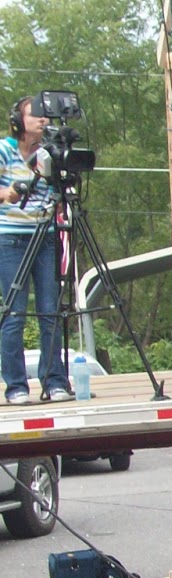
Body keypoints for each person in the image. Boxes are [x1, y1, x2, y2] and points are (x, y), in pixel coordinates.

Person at [0, 97, 71, 404]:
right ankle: (15, 386)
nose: (43, 120)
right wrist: (11, 192)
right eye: (35, 115)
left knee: (50, 311)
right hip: (10, 239)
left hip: (45, 237)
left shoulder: (48, 152)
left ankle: (54, 380)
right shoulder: (4, 149)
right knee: (15, 313)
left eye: (45, 116)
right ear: (18, 120)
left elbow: (59, 192)